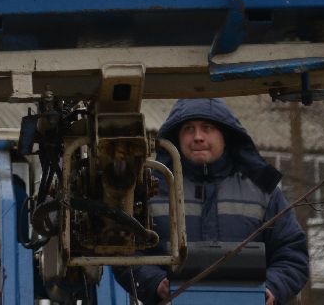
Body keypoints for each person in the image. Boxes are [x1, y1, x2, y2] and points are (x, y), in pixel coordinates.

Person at [129, 98, 309, 305]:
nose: (197, 137)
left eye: (207, 128)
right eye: (188, 129)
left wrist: (272, 288)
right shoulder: (151, 190)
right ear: (176, 137)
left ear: (225, 135)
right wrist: (155, 282)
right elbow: (126, 253)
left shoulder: (262, 190)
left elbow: (292, 254)